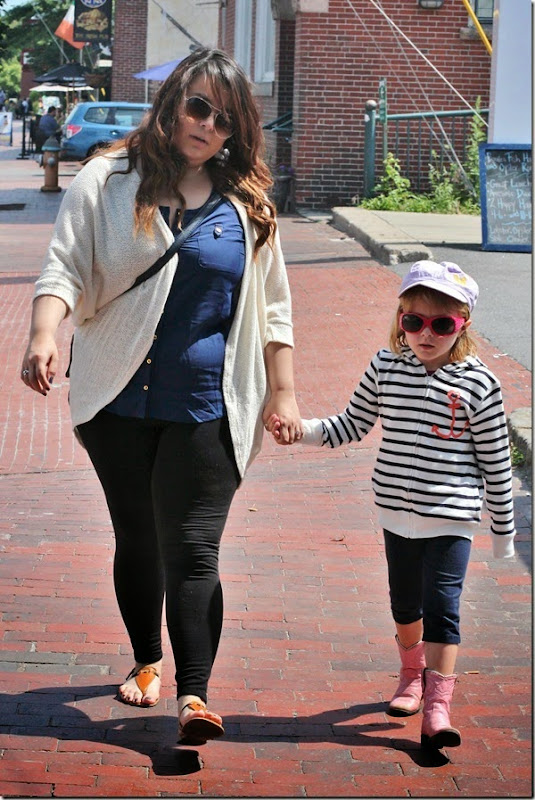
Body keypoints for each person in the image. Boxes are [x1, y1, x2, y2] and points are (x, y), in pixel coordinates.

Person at [21, 48, 302, 745]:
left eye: (224, 118)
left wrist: (285, 393)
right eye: (198, 106)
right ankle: (148, 659)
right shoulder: (107, 179)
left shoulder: (247, 207)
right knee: (138, 536)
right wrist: (44, 333)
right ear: (173, 102)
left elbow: (273, 310)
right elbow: (64, 265)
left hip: (208, 402)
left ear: (237, 131)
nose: (207, 124)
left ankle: (194, 695)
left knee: (194, 547)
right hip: (116, 399)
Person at [267, 260, 516, 750]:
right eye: (414, 321)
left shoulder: (480, 383)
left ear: (463, 324)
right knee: (404, 602)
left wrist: (504, 531)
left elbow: (496, 461)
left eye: (442, 324)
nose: (426, 334)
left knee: (442, 607)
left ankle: (439, 708)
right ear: (401, 319)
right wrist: (301, 431)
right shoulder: (386, 366)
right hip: (396, 514)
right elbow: (351, 424)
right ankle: (410, 676)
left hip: (451, 516)